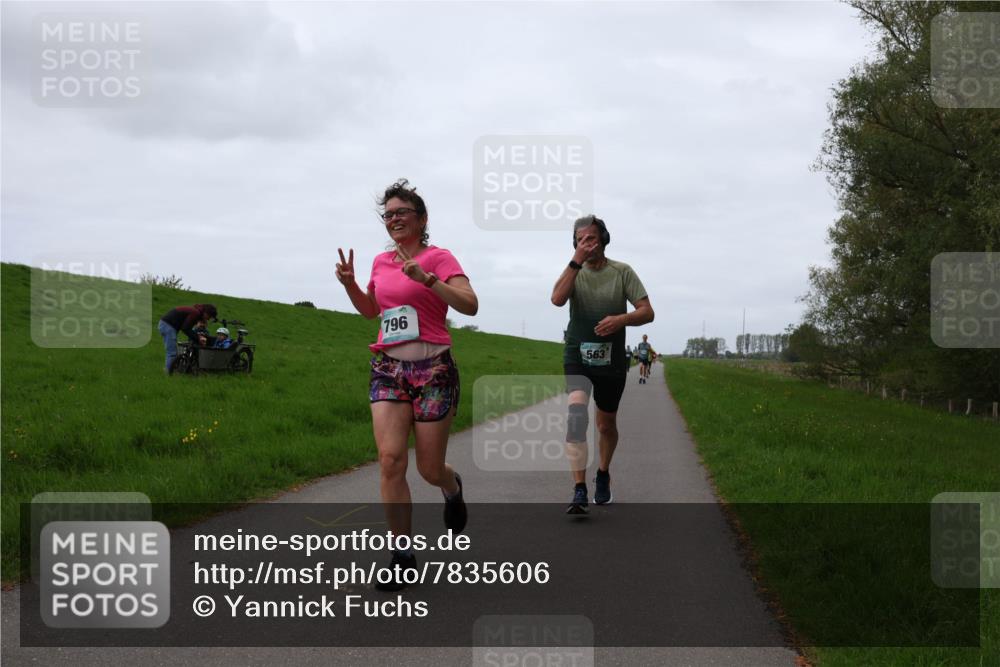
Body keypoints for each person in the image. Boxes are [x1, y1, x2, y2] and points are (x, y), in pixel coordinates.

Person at [335, 178, 478, 591]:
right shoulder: (381, 263)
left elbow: (470, 305)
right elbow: (371, 311)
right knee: (390, 459)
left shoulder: (439, 258)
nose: (394, 219)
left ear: (422, 219)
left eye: (402, 212)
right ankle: (402, 556)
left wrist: (428, 279)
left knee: (429, 469)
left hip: (433, 371)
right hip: (389, 369)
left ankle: (451, 487)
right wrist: (350, 285)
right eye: (388, 215)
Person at [551, 215, 654, 513]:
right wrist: (576, 260)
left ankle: (603, 473)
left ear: (604, 239)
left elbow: (647, 312)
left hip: (612, 361)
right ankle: (579, 489)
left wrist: (622, 319)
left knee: (605, 425)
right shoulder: (574, 271)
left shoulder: (622, 272)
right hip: (577, 356)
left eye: (591, 238)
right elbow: (557, 299)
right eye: (580, 240)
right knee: (576, 418)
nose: (586, 244)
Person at [158, 304, 217, 374]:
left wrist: (197, 337)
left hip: (166, 325)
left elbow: (187, 328)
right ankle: (169, 373)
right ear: (206, 313)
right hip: (168, 326)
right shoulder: (195, 313)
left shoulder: (196, 312)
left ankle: (171, 370)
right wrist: (198, 338)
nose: (208, 319)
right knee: (172, 352)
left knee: (172, 351)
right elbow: (185, 328)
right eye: (209, 316)